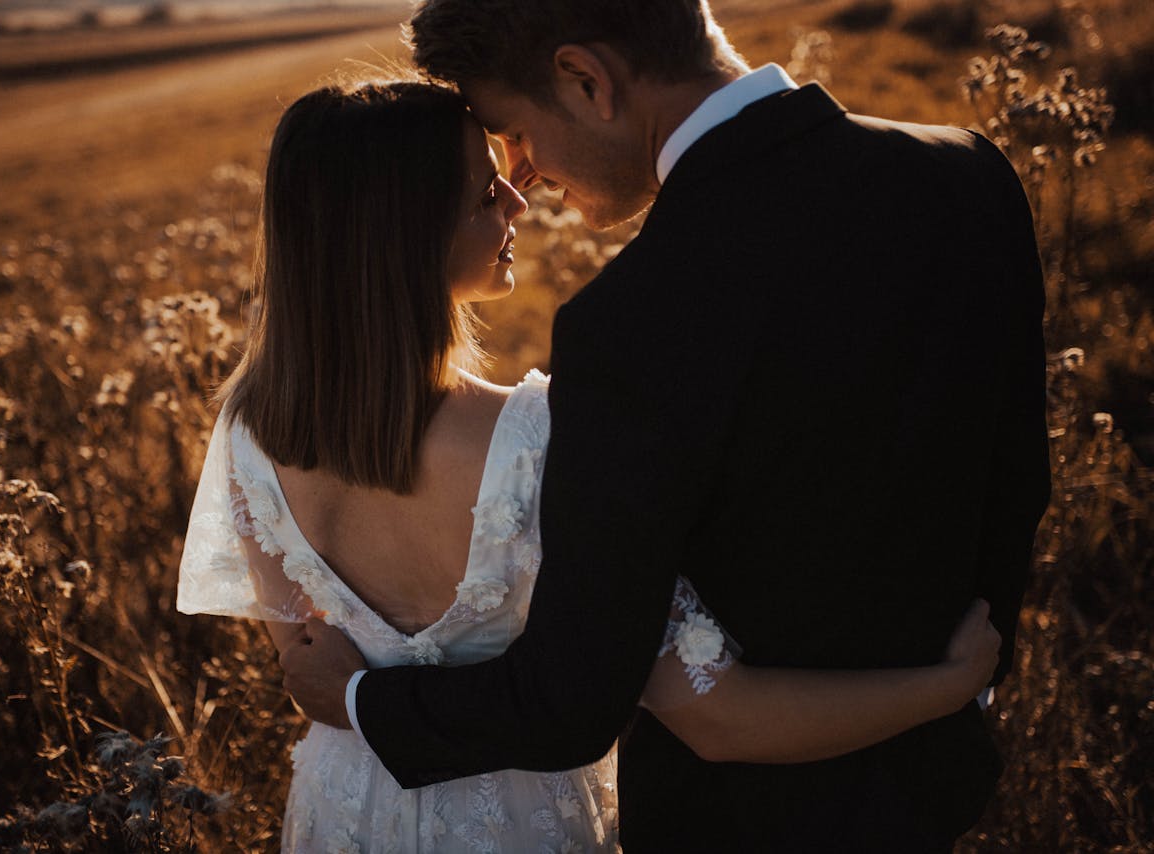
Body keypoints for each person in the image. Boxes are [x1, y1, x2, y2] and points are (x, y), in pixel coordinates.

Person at [276, 1, 1053, 852]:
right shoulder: (967, 172)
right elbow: (1018, 483)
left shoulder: (631, 326)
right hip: (937, 791)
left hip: (731, 824)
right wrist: (958, 693)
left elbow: (573, 703)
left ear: (586, 80)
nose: (521, 177)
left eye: (516, 135)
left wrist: (357, 700)